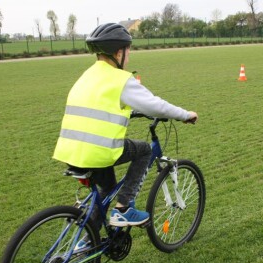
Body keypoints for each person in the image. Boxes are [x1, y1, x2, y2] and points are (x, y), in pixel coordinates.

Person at [53, 23, 198, 227]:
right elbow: (156, 105)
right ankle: (124, 208)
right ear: (119, 52)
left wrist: (129, 111)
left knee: (106, 190)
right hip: (98, 150)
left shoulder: (87, 75)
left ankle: (87, 241)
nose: (129, 56)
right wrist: (185, 115)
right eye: (128, 51)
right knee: (145, 150)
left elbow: (99, 106)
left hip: (70, 150)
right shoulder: (119, 79)